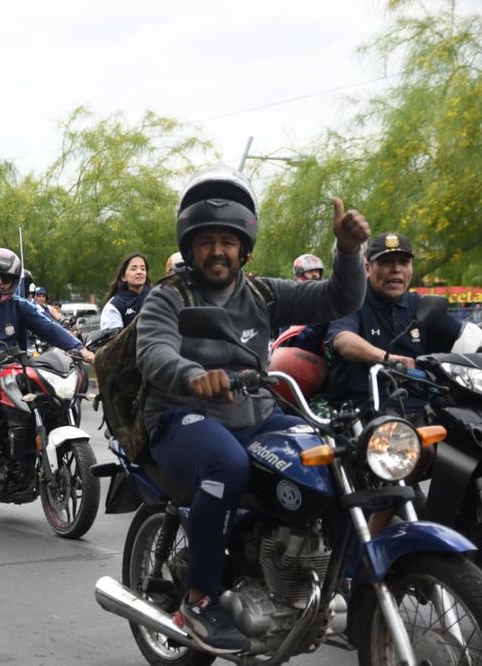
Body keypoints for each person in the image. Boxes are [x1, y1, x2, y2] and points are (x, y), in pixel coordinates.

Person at [135, 165, 370, 652]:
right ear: (190, 246)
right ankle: (198, 599)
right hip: (182, 415)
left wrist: (348, 254)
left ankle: (332, 584)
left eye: (228, 241)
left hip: (253, 412)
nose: (217, 251)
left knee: (342, 455)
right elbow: (154, 351)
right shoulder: (167, 297)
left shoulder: (262, 293)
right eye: (206, 241)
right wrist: (191, 375)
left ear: (244, 247)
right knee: (227, 463)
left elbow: (336, 298)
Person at [0, 248, 96, 495]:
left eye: (5, 279)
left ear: (13, 282)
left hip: (14, 366)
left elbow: (49, 328)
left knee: (53, 395)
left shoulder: (20, 305)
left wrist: (79, 348)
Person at [325, 232, 465, 410]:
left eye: (404, 262)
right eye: (386, 262)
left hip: (421, 408)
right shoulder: (351, 300)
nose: (396, 269)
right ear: (367, 267)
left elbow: (466, 338)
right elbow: (342, 340)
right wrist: (387, 359)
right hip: (364, 411)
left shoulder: (420, 304)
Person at [100, 253, 150, 330]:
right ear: (123, 276)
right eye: (133, 269)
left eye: (143, 269)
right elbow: (114, 339)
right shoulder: (115, 305)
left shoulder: (157, 296)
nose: (139, 272)